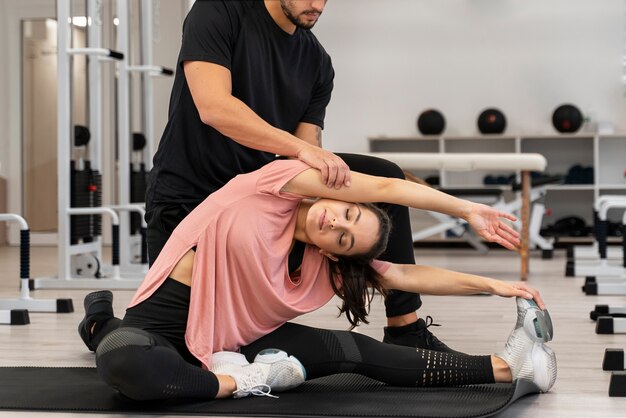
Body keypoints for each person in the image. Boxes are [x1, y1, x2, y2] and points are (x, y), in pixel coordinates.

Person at [145, 0, 512, 353]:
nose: (318, 6)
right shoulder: (220, 10)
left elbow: (312, 160)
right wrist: (302, 152)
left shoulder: (317, 63)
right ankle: (99, 321)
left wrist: (466, 211)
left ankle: (405, 328)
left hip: (261, 207)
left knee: (383, 175)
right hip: (187, 200)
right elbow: (214, 108)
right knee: (170, 339)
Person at [79, 159, 557, 401]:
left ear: (336, 253)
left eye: (347, 238)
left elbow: (407, 274)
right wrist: (467, 208)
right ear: (339, 197)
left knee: (356, 351)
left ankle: (512, 367)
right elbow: (388, 187)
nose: (338, 225)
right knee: (124, 361)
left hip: (241, 342)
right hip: (162, 328)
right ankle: (106, 322)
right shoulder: (272, 185)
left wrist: (497, 287)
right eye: (348, 212)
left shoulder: (321, 266)